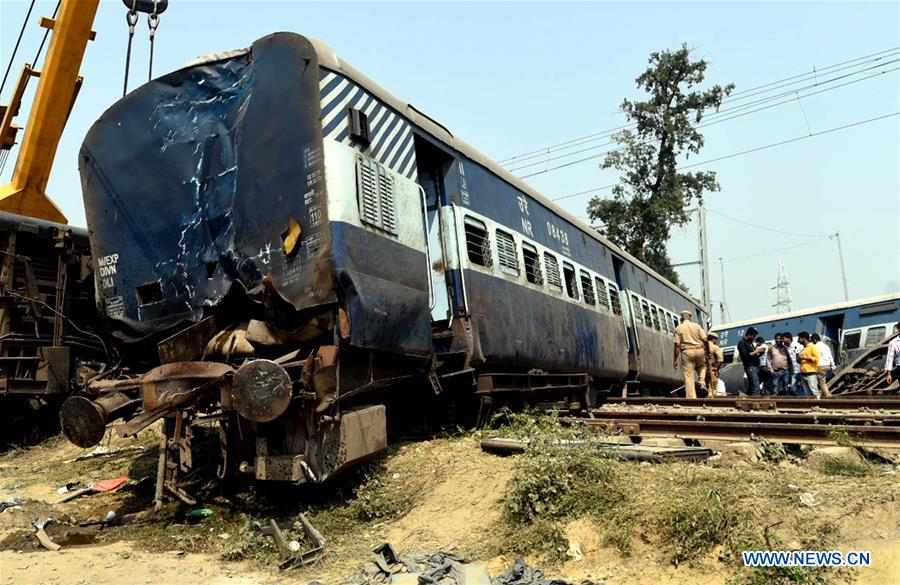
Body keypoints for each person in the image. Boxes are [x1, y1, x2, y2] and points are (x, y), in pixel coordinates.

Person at [673, 310, 710, 399]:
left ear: (681, 318)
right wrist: (708, 352)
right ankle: (702, 382)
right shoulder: (697, 326)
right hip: (699, 350)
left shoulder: (678, 328)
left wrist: (675, 359)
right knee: (702, 367)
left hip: (687, 351)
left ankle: (691, 397)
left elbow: (677, 345)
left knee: (689, 374)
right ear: (690, 317)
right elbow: (705, 340)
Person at [737, 327, 766, 396]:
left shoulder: (750, 343)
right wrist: (757, 351)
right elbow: (745, 356)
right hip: (750, 366)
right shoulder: (742, 343)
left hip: (755, 366)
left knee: (753, 384)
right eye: (754, 336)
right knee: (756, 385)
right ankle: (756, 401)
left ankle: (749, 397)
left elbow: (752, 354)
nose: (754, 338)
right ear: (749, 334)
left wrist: (759, 353)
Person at [797, 331, 821, 398]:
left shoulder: (812, 347)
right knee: (807, 393)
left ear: (804, 338)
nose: (798, 340)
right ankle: (811, 406)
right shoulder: (804, 349)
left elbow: (816, 358)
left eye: (799, 338)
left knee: (814, 391)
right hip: (803, 374)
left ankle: (819, 404)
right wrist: (799, 360)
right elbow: (803, 361)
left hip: (811, 373)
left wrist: (803, 357)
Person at [811, 333, 834, 398]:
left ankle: (828, 396)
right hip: (827, 365)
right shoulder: (826, 346)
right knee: (823, 382)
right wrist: (833, 366)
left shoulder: (815, 347)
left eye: (812, 340)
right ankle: (823, 395)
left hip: (820, 365)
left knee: (821, 383)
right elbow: (830, 356)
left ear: (814, 339)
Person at [783, 332, 805, 397]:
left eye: (783, 339)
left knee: (805, 387)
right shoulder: (787, 347)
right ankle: (802, 399)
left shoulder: (797, 345)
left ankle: (805, 400)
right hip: (794, 371)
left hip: (802, 370)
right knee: (793, 388)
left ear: (789, 338)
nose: (782, 340)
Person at [707, 332, 725, 396]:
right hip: (712, 369)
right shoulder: (715, 347)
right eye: (716, 339)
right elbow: (720, 360)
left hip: (704, 370)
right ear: (713, 339)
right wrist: (716, 368)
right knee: (713, 388)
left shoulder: (702, 347)